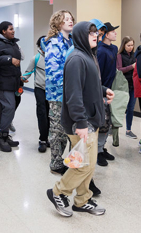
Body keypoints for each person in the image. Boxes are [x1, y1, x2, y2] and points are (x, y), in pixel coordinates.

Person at [46, 21, 114, 217]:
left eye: (96, 32)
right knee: (84, 165)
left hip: (90, 119)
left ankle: (82, 200)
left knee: (88, 165)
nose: (96, 35)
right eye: (91, 32)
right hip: (82, 123)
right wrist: (81, 123)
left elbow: (88, 85)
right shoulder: (76, 58)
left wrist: (103, 90)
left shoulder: (88, 55)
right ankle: (58, 191)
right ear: (81, 35)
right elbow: (73, 94)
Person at [45, 10, 74, 174]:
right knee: (58, 131)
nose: (70, 21)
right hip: (58, 95)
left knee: (71, 131)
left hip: (72, 95)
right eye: (66, 19)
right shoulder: (53, 43)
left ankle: (71, 161)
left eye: (71, 19)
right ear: (58, 23)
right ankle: (56, 164)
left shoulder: (72, 42)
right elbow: (54, 74)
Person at [0, 21, 21, 152]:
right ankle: (0, 137)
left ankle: (5, 135)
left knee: (4, 108)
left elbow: (17, 62)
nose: (13, 31)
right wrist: (8, 59)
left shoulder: (13, 43)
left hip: (13, 81)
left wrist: (19, 79)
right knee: (9, 107)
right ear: (3, 31)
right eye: (10, 29)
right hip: (1, 82)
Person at [96, 22, 120, 167]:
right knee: (102, 123)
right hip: (101, 90)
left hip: (110, 90)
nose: (116, 33)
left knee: (107, 123)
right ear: (105, 34)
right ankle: (97, 152)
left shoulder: (114, 48)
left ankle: (101, 148)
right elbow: (98, 73)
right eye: (113, 31)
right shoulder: (100, 51)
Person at [23, 35, 50, 152]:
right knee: (42, 113)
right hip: (39, 89)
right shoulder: (36, 58)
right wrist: (21, 79)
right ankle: (43, 140)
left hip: (52, 90)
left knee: (51, 115)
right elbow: (27, 72)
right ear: (40, 46)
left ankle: (48, 137)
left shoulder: (55, 58)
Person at [116, 36, 137, 139]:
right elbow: (119, 69)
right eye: (128, 45)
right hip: (123, 86)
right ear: (124, 45)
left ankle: (128, 130)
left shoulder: (135, 55)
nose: (131, 47)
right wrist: (131, 67)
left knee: (131, 108)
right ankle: (113, 128)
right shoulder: (119, 56)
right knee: (118, 108)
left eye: (132, 45)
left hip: (133, 85)